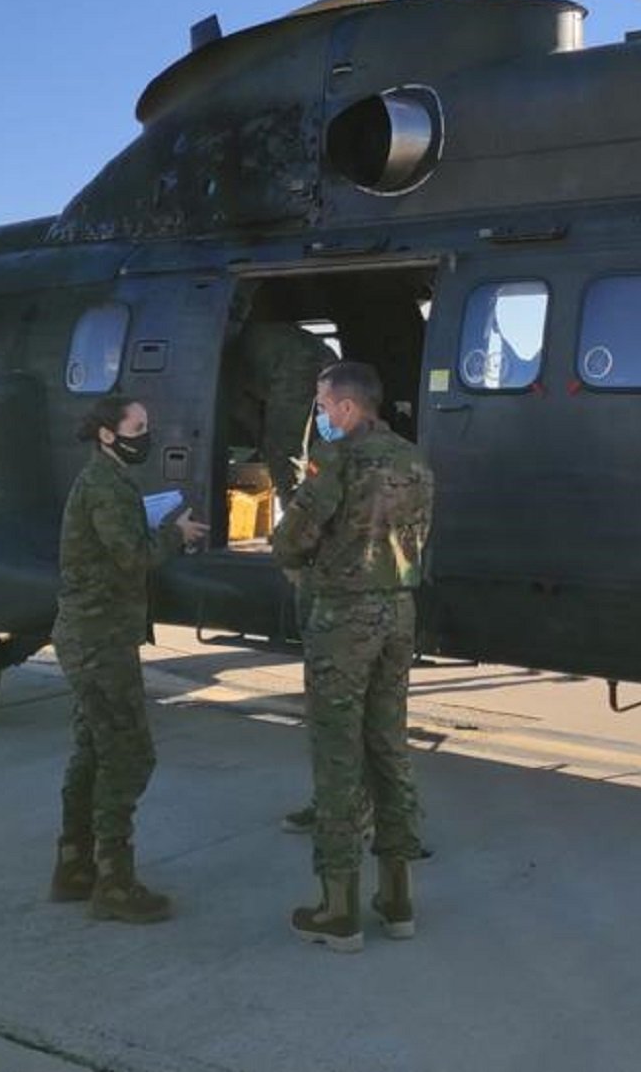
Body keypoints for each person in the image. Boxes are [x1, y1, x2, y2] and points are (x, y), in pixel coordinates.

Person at [271, 360, 433, 952]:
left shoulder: (337, 459)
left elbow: (291, 537)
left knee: (338, 755)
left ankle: (337, 909)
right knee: (389, 748)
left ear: (344, 408)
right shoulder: (414, 458)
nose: (318, 414)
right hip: (399, 614)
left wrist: (297, 559)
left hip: (343, 619)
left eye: (320, 404)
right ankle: (398, 898)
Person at [49, 395, 205, 923]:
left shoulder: (109, 482)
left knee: (93, 749)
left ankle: (74, 867)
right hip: (100, 641)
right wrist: (174, 535)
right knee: (129, 755)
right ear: (108, 435)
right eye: (138, 427)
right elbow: (131, 557)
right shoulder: (104, 486)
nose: (147, 434)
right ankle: (113, 882)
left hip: (93, 635)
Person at [226, 312, 338, 506]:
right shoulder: (233, 340)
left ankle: (297, 522)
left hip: (297, 364)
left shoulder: (222, 349)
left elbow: (253, 421)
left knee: (285, 449)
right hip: (319, 358)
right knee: (309, 449)